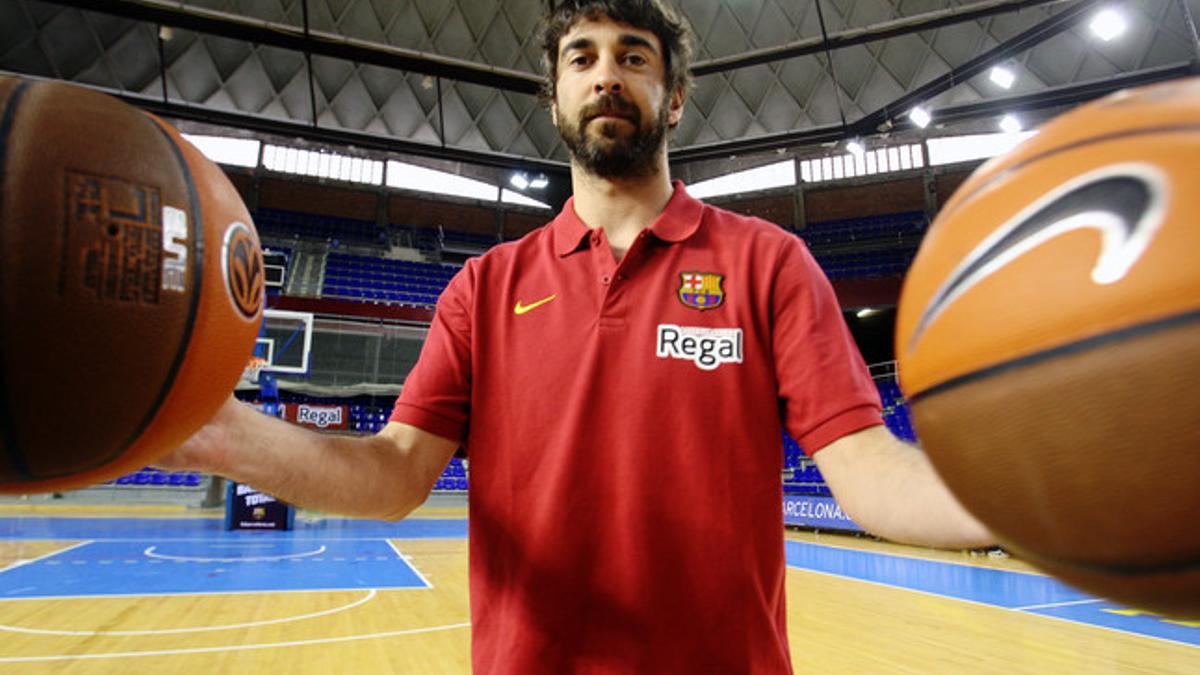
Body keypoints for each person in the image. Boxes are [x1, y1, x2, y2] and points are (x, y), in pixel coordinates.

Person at [161, 1, 991, 672]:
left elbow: (867, 467)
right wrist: (223, 433)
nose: (606, 75)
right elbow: (394, 472)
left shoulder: (768, 262)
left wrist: (1021, 498)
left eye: (634, 56)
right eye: (582, 57)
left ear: (673, 98)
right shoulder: (484, 288)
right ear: (554, 97)